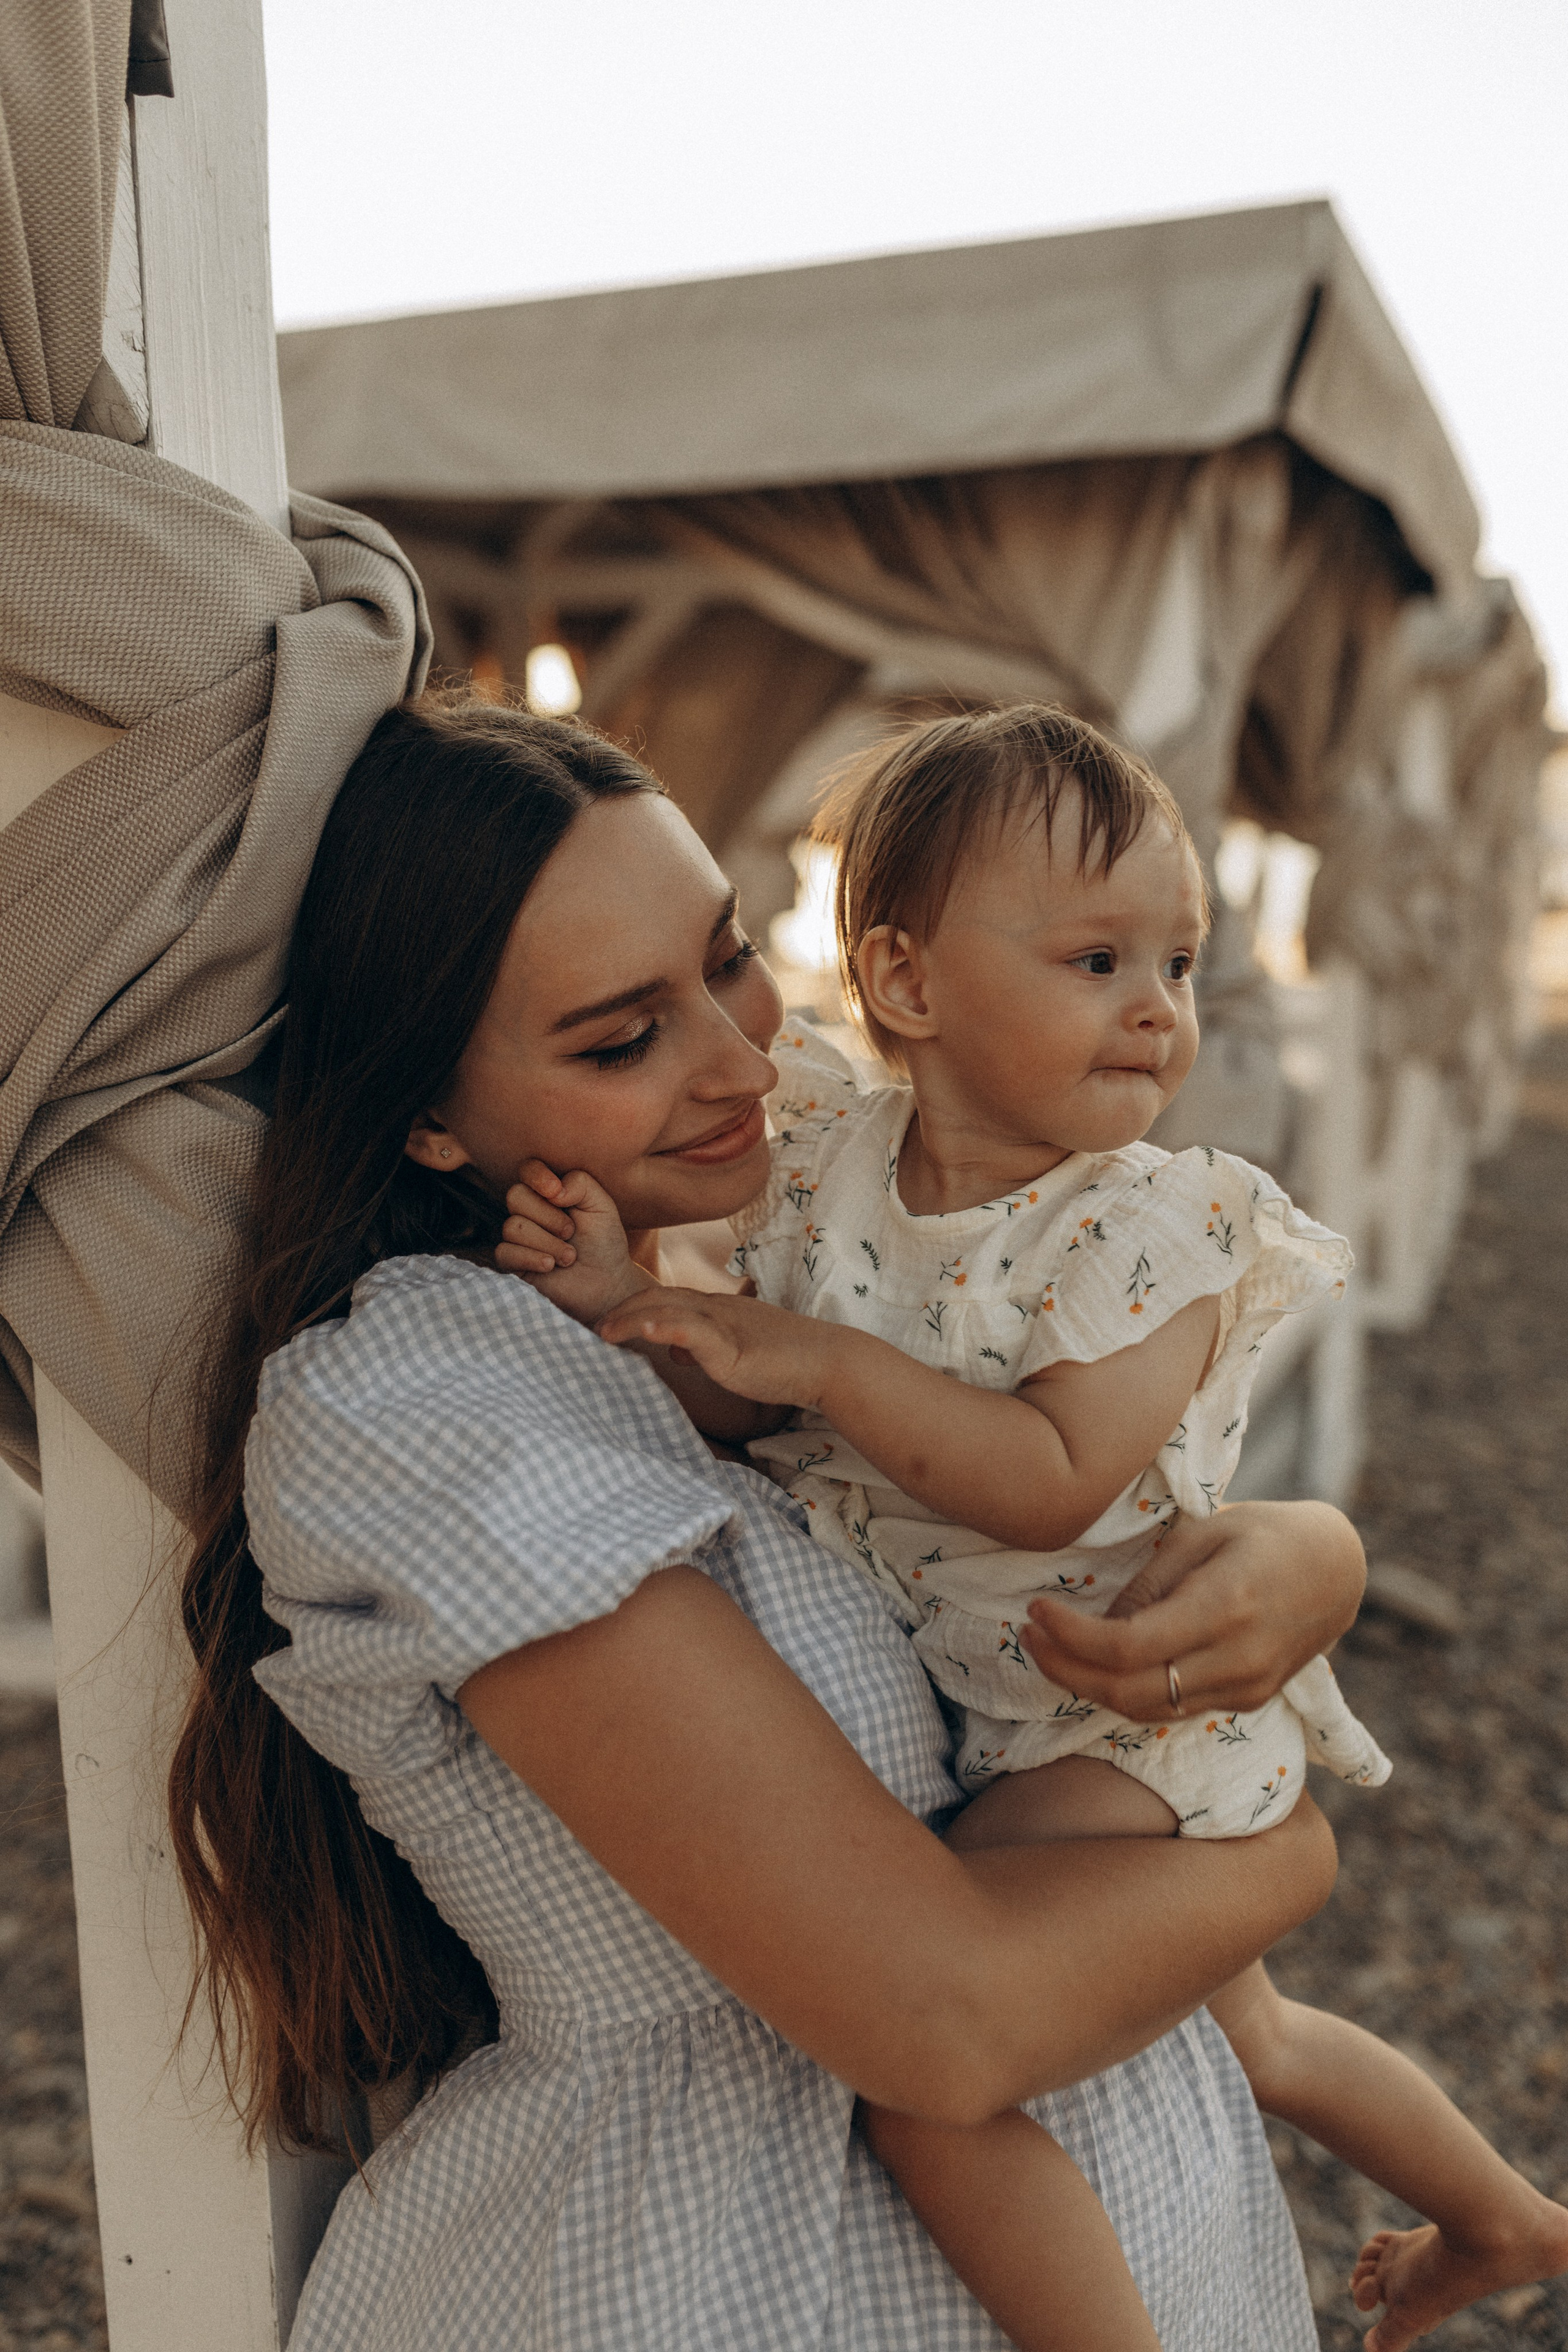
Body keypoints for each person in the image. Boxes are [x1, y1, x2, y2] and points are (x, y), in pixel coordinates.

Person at [171, 689, 1368, 2352]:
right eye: (619, 1037)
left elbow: (1017, 1494)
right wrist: (1287, 1841)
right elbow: (938, 2027)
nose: (745, 1058)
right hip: (729, 2268)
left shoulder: (773, 1263)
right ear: (430, 1118)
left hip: (1114, 2189)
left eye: (732, 957)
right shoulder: (422, 1402)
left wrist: (1306, 1556)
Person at [505, 704, 1568, 2352]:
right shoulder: (824, 1170)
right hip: (1008, 1711)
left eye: (1182, 964)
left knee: (922, 2081)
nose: (1157, 1009)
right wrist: (628, 1306)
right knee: (1260, 2041)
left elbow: (1053, 1472)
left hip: (1118, 1722)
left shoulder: (1150, 1223)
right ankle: (1501, 2218)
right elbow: (752, 1404)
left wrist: (817, 1361)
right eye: (1096, 960)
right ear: (909, 984)